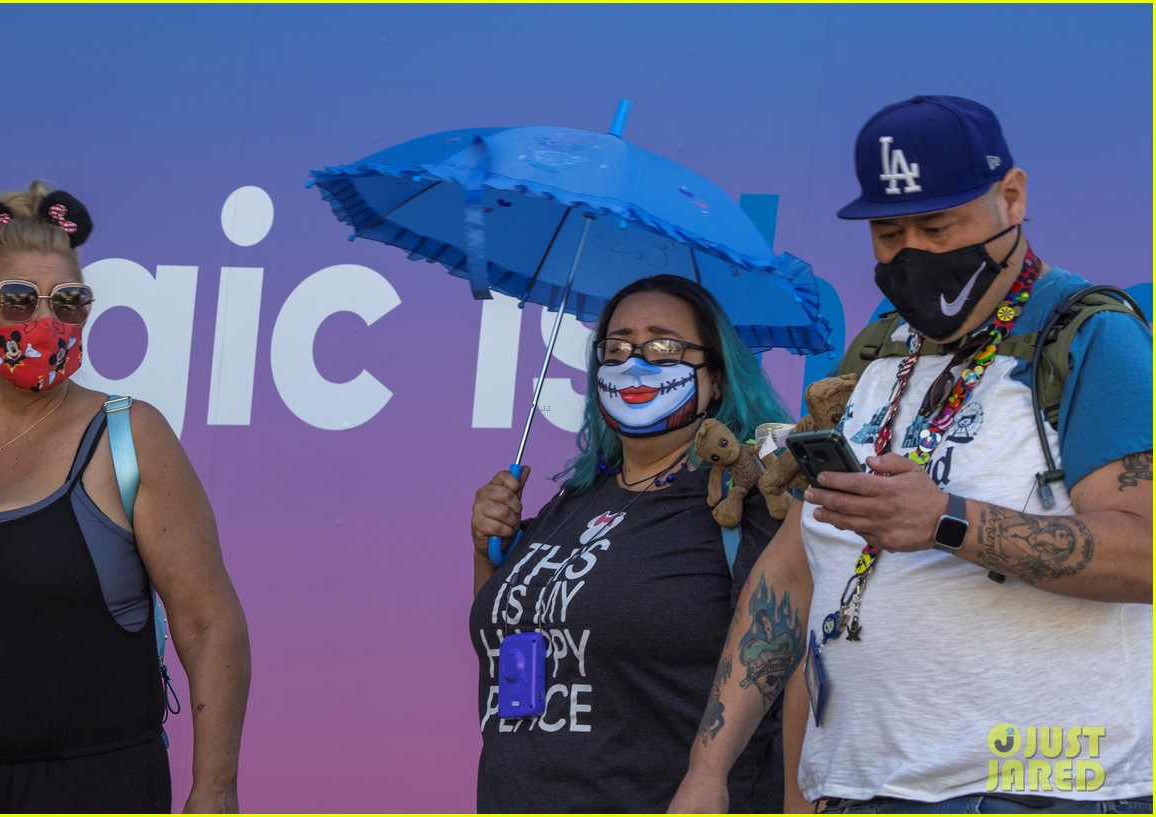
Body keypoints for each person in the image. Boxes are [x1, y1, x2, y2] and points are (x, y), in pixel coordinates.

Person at [669, 95, 1153, 814]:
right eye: (889, 233)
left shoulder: (1087, 336)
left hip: (1034, 789)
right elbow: (792, 573)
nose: (912, 254)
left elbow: (1142, 552)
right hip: (860, 789)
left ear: (1012, 198)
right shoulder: (876, 353)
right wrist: (708, 771)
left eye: (938, 224)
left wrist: (946, 521)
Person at [0, 181, 252, 813]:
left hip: (92, 790)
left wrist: (214, 791)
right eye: (21, 300)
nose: (48, 321)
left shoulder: (129, 434)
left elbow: (209, 621)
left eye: (71, 301)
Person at [468, 274, 796, 812]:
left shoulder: (743, 503)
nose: (634, 363)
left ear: (715, 378)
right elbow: (512, 646)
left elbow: (789, 664)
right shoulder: (569, 503)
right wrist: (487, 552)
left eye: (664, 346)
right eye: (616, 347)